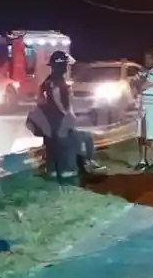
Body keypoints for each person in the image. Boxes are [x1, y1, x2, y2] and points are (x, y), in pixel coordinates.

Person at [35, 50, 106, 182]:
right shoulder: (60, 82)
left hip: (49, 124)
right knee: (77, 143)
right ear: (62, 65)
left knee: (53, 149)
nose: (66, 68)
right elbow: (60, 102)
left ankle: (53, 172)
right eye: (65, 65)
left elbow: (40, 100)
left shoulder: (47, 82)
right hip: (61, 124)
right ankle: (76, 168)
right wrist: (67, 115)